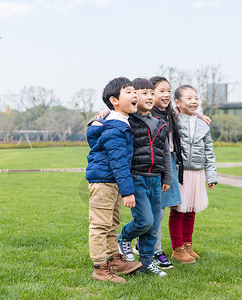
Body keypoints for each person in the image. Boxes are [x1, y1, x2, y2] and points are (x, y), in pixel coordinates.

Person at [133, 76, 212, 269]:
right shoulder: (145, 113)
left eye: (168, 90)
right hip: (152, 166)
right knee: (158, 212)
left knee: (164, 210)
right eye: (160, 91)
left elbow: (186, 111)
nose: (165, 94)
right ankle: (151, 249)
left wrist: (200, 115)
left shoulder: (169, 113)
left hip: (169, 164)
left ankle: (157, 248)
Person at [86, 77, 142, 283]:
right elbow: (118, 161)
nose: (135, 95)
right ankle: (100, 269)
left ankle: (113, 259)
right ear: (114, 100)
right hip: (104, 182)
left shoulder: (119, 121)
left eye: (135, 91)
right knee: (100, 225)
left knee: (112, 223)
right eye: (129, 92)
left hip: (112, 182)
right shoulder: (115, 128)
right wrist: (128, 191)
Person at [118, 77, 173, 277]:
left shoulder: (160, 122)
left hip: (156, 179)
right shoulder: (127, 120)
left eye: (151, 93)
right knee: (145, 221)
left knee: (154, 226)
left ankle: (146, 262)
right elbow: (109, 118)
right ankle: (124, 237)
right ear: (133, 97)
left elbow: (165, 152)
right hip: (136, 177)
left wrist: (167, 177)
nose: (149, 97)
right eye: (143, 93)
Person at [169, 85, 217, 264]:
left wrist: (211, 176)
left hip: (197, 173)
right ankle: (178, 248)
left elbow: (209, 152)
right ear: (178, 102)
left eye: (196, 98)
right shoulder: (173, 119)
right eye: (188, 98)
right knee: (179, 211)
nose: (194, 101)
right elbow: (168, 110)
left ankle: (188, 244)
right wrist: (197, 114)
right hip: (180, 172)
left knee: (191, 210)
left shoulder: (203, 125)